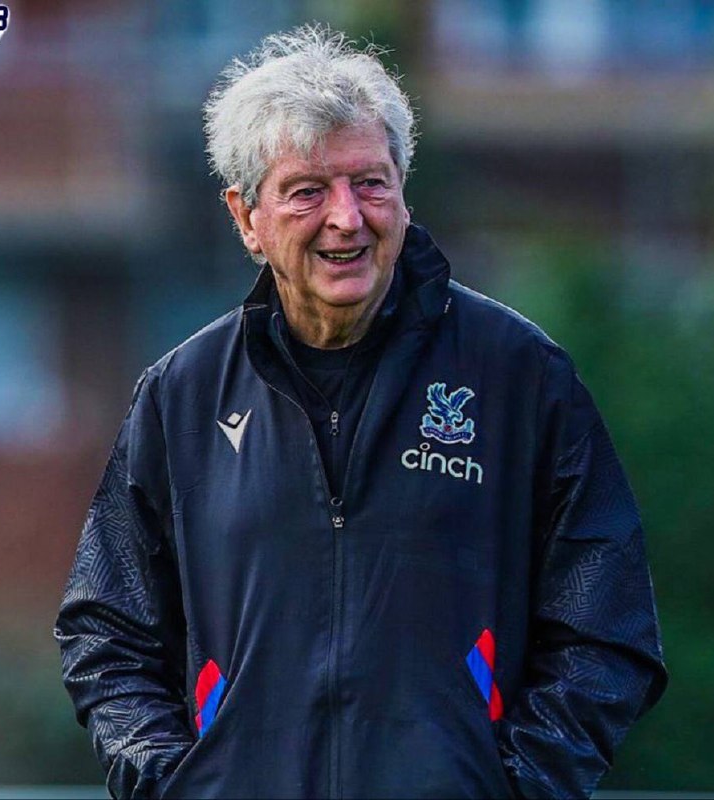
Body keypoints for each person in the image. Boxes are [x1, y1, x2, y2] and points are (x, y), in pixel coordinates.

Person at [55, 25, 667, 800]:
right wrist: (177, 782)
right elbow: (106, 627)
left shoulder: (519, 375)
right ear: (246, 216)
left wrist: (513, 787)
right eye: (308, 190)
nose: (347, 217)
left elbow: (606, 625)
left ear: (403, 193)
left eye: (370, 183)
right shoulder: (183, 394)